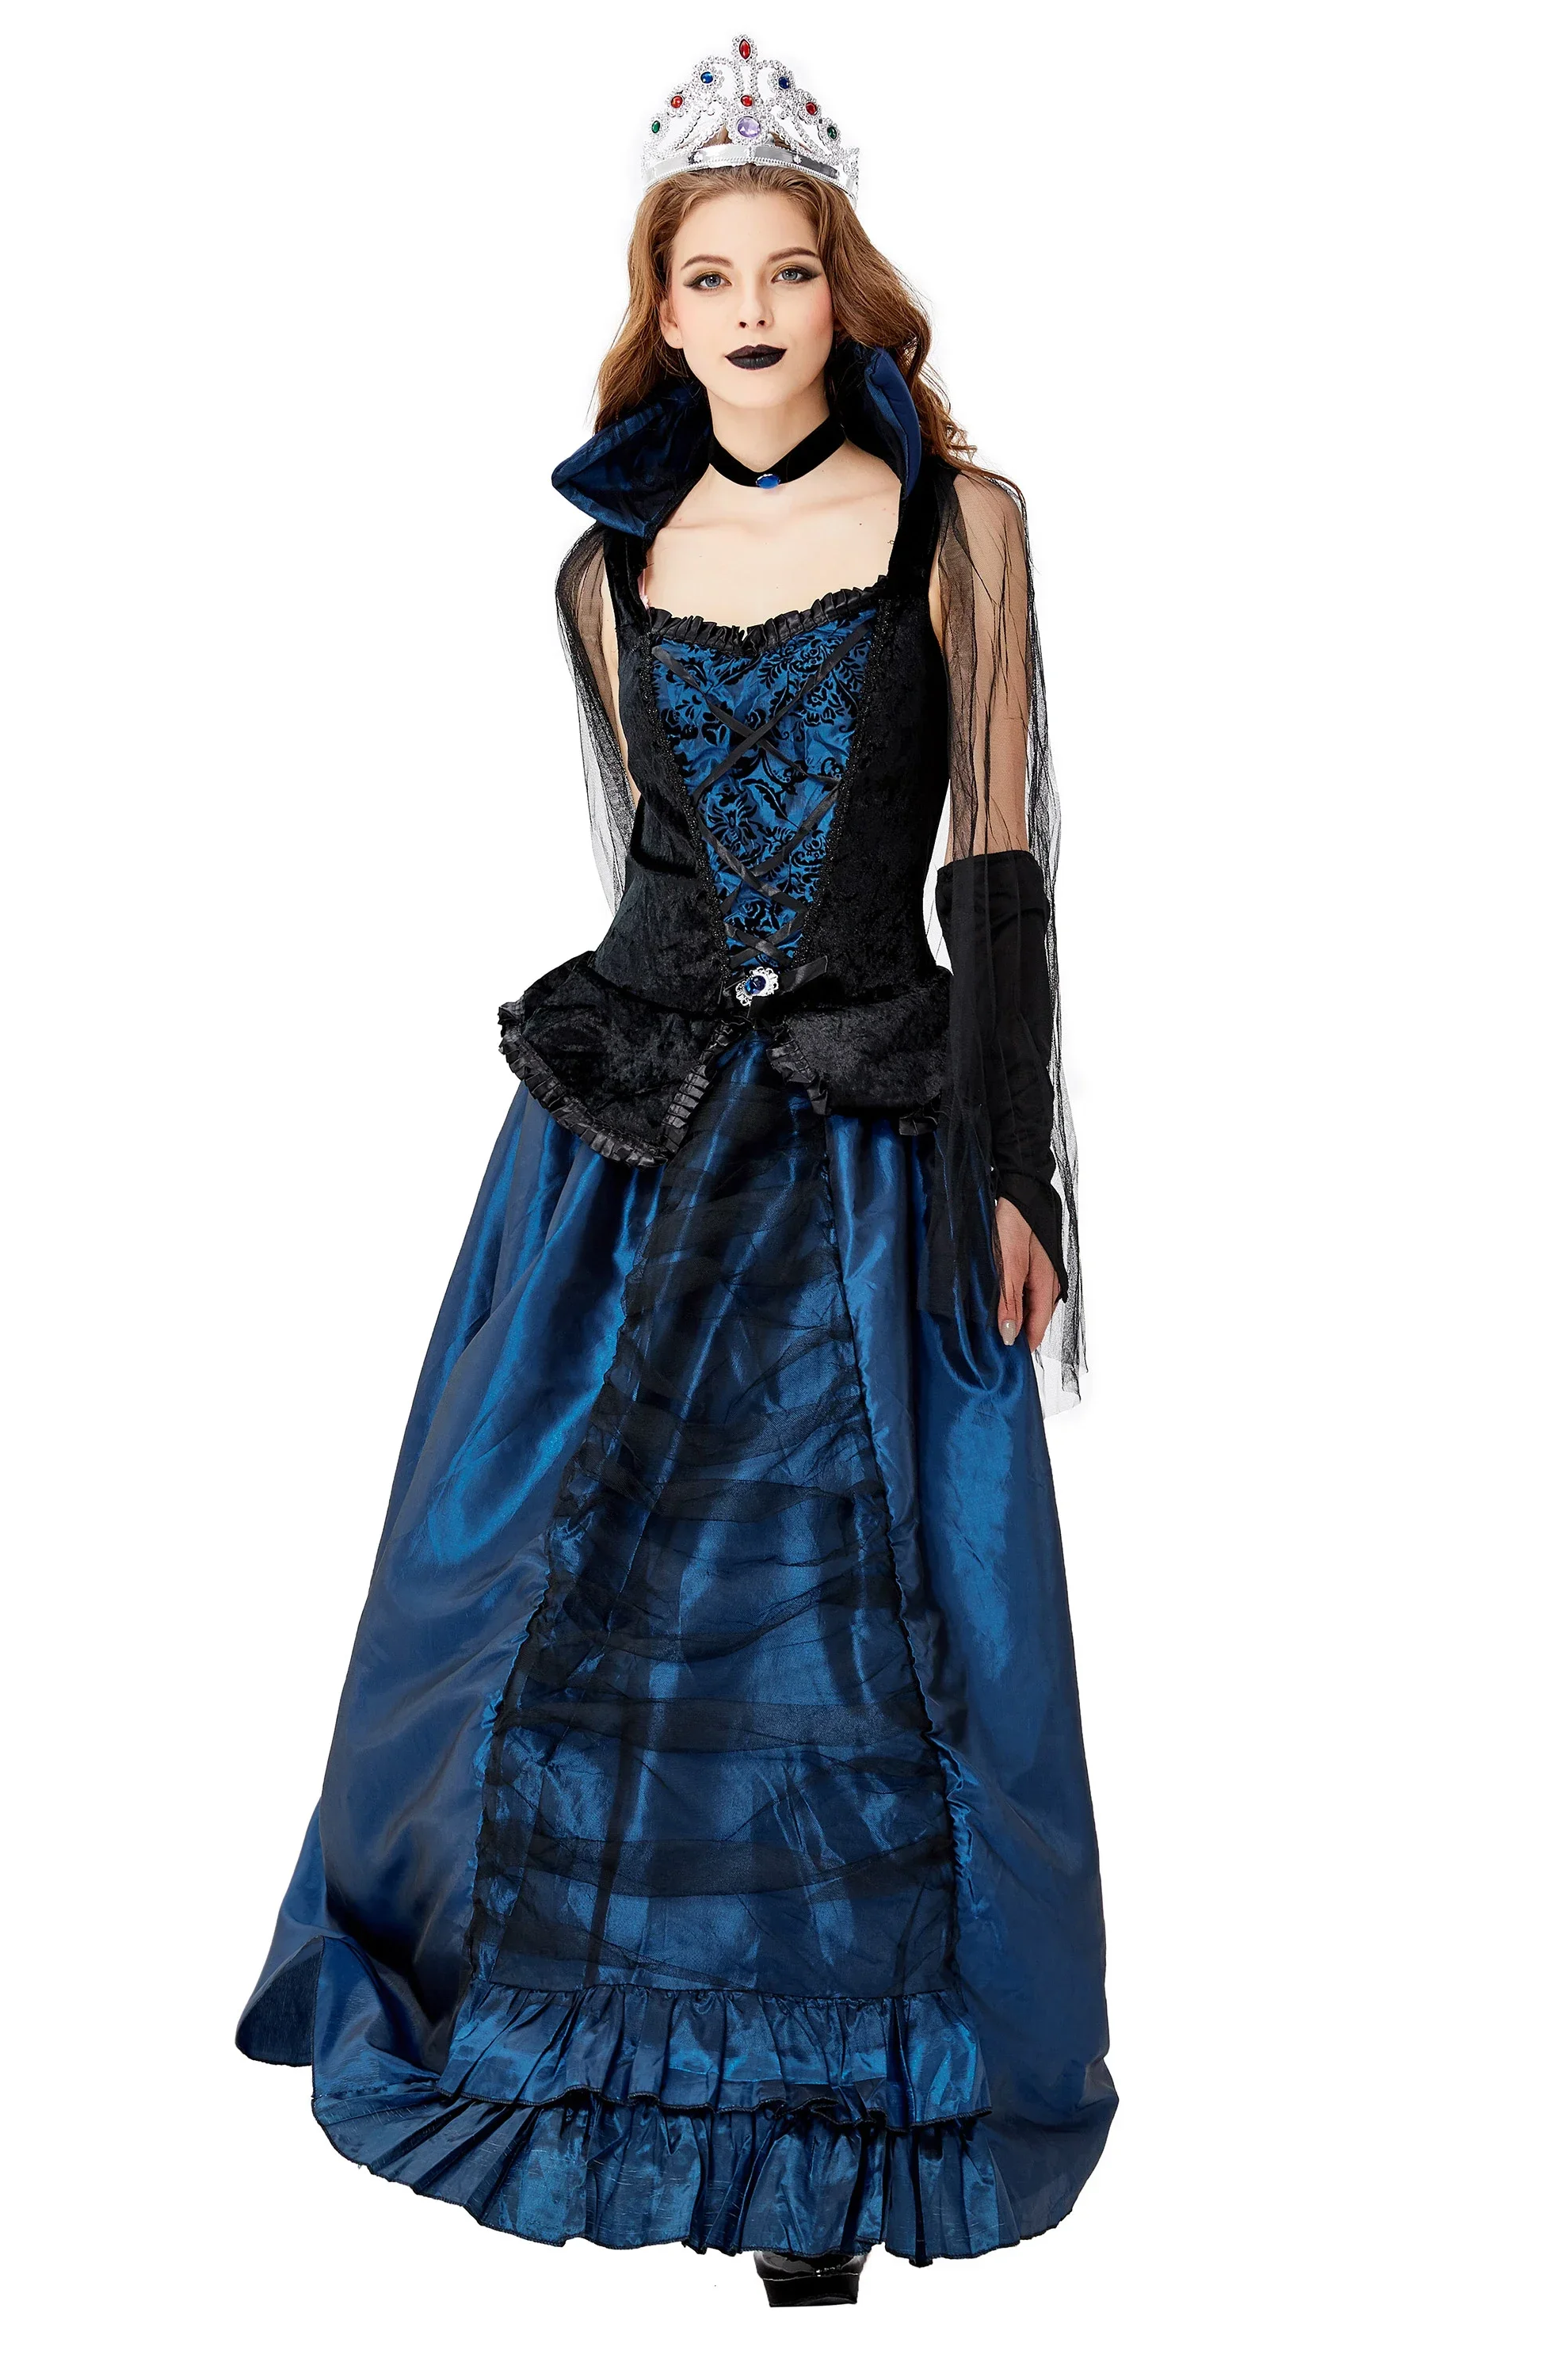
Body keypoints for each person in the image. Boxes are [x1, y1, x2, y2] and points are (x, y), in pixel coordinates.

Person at [237, 35, 1115, 2307]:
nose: (749, 309)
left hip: (866, 1150)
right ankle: (579, 2063)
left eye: (786, 270)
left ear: (847, 290)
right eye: (706, 275)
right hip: (627, 1155)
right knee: (530, 1604)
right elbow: (652, 861)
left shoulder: (963, 525)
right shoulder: (602, 563)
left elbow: (998, 874)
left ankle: (833, 2151)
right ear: (660, 305)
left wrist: (1016, 1174)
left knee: (856, 1654)